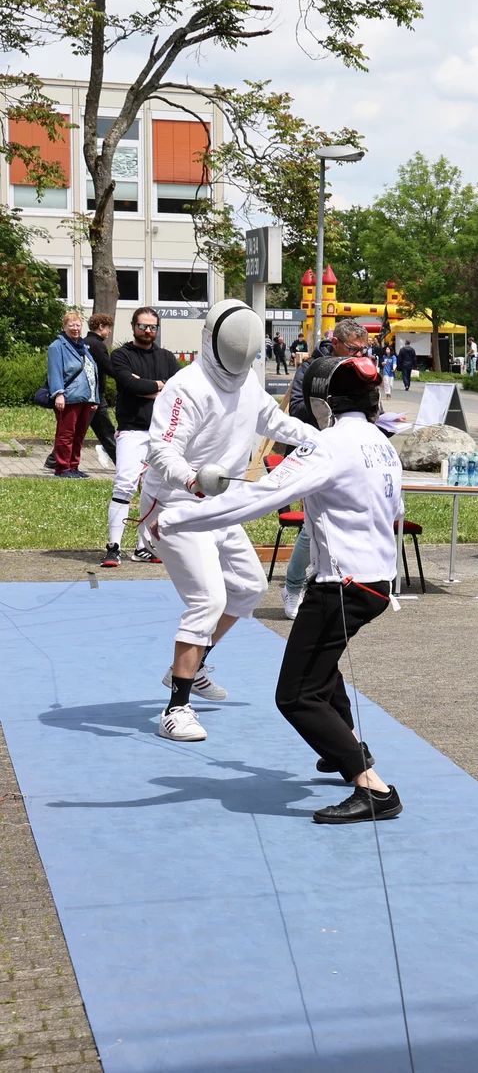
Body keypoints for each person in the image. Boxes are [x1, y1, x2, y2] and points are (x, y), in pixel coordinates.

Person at [157, 354, 403, 823]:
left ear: (326, 404)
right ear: (374, 402)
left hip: (342, 586)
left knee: (296, 695)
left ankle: (373, 788)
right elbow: (395, 511)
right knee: (322, 668)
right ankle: (343, 747)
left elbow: (256, 498)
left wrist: (177, 516)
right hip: (375, 581)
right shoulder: (381, 443)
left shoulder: (329, 446)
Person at [141, 300, 322, 743]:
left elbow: (274, 420)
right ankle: (176, 709)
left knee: (248, 588)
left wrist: (326, 441)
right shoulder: (186, 387)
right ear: (211, 340)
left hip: (219, 506)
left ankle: (193, 663)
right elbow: (160, 450)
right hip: (177, 507)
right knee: (207, 599)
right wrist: (191, 479)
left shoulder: (247, 383)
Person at [281, 321, 374, 618]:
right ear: (335, 343)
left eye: (365, 349)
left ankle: (331, 585)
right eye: (354, 349)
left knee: (341, 519)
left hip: (352, 451)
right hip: (317, 449)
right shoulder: (311, 368)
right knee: (312, 528)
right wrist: (328, 409)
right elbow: (296, 408)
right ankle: (294, 586)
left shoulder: (361, 367)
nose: (360, 354)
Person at [102, 307, 180, 567]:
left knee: (155, 490)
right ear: (133, 326)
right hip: (132, 430)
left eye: (153, 327)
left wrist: (146, 386)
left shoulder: (168, 357)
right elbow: (129, 385)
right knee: (124, 484)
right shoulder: (121, 355)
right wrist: (160, 385)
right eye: (143, 326)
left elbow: (177, 390)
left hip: (161, 434)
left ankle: (144, 546)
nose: (148, 331)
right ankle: (113, 547)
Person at [45, 310, 101, 478]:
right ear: (64, 327)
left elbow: (91, 372)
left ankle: (74, 466)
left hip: (86, 397)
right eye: (71, 325)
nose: (75, 328)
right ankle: (62, 468)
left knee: (79, 435)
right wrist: (59, 394)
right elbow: (55, 372)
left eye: (78, 325)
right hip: (69, 397)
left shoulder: (83, 346)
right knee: (66, 434)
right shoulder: (57, 346)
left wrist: (94, 397)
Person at [84, 313, 117, 467]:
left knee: (78, 429)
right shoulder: (98, 345)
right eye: (108, 328)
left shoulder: (83, 342)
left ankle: (54, 459)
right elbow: (109, 368)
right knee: (107, 431)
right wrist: (127, 377)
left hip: (84, 393)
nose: (109, 332)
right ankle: (123, 462)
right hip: (96, 394)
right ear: (101, 327)